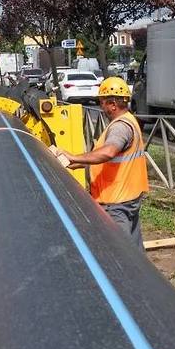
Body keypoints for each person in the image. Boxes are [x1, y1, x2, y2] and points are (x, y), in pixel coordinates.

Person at [55, 77, 149, 248]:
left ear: (113, 104)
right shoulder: (129, 119)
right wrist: (68, 162)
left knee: (119, 252)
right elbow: (101, 159)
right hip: (128, 197)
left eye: (102, 102)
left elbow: (108, 152)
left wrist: (73, 156)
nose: (101, 107)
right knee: (134, 253)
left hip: (116, 202)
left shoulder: (120, 127)